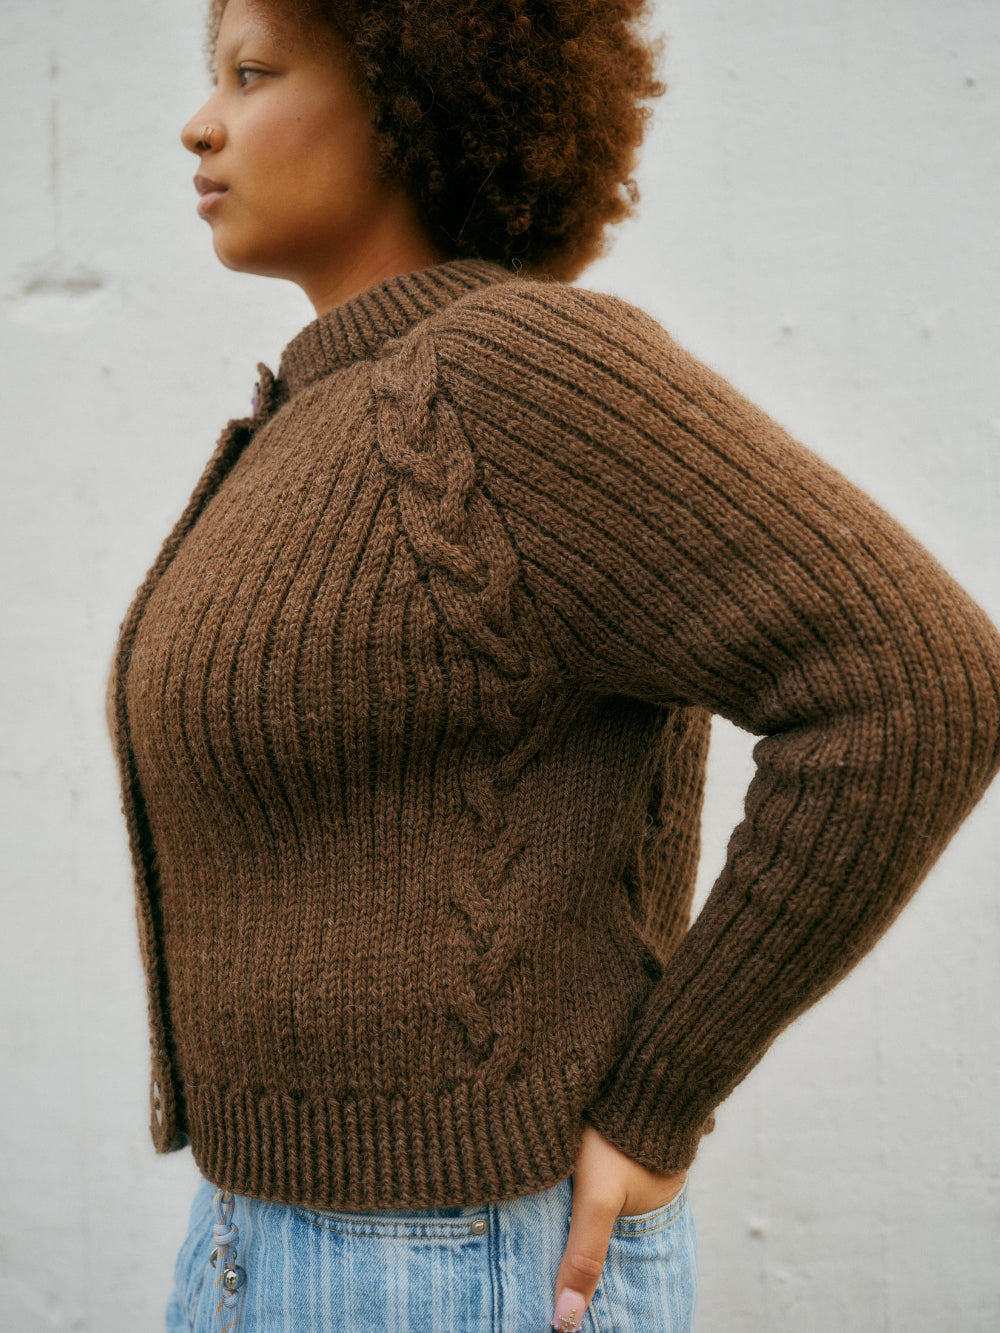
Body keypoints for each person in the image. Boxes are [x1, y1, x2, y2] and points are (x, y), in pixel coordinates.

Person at [104, 1, 1000, 1330]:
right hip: (259, 1236)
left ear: (409, 97)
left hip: (455, 1260)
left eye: (253, 73)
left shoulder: (503, 374)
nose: (201, 122)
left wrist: (658, 1102)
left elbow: (918, 679)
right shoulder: (313, 410)